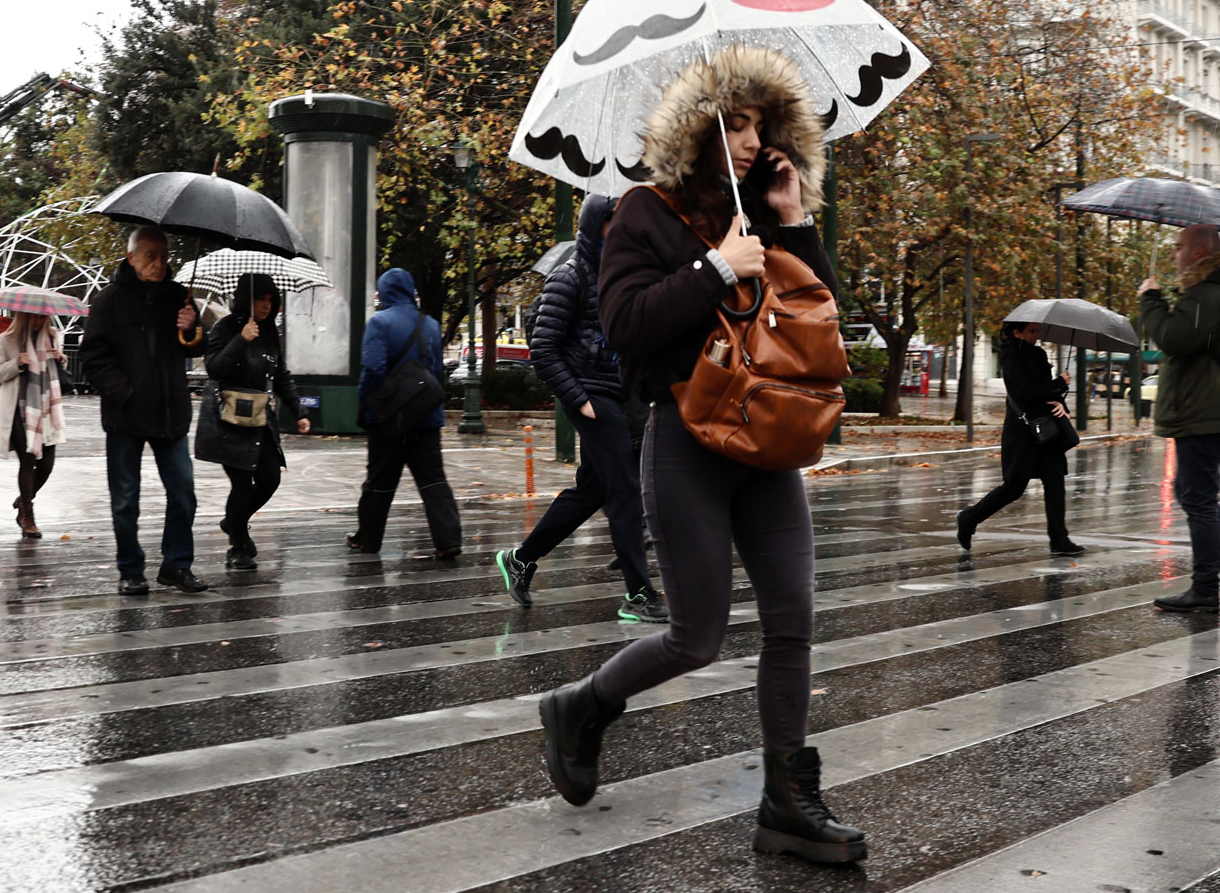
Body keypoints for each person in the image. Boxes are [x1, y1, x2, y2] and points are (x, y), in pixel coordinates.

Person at [537, 46, 865, 864]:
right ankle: (582, 704)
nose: (752, 141)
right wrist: (718, 266)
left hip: (767, 440)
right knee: (696, 635)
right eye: (738, 124)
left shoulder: (760, 212)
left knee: (793, 619)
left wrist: (791, 223)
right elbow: (625, 327)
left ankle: (787, 804)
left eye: (762, 125)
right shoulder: (640, 213)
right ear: (702, 128)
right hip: (686, 434)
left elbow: (813, 318)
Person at [497, 193, 665, 623]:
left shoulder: (621, 274)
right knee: (625, 490)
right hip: (592, 395)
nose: (623, 231)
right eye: (615, 223)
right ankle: (639, 594)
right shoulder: (568, 277)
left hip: (620, 393)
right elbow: (543, 349)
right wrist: (580, 401)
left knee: (594, 489)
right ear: (597, 225)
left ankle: (521, 559)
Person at [1139, 223, 1220, 611]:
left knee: (1197, 497)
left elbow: (1175, 339)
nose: (1174, 254)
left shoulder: (1208, 294)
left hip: (1206, 410)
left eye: (1179, 247)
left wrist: (1151, 300)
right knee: (1193, 492)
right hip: (1217, 407)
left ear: (1199, 253)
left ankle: (1205, 589)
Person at [82, 226, 209, 596]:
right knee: (126, 499)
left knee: (184, 493)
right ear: (131, 257)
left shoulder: (178, 298)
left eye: (163, 256)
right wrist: (124, 392)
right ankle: (130, 570)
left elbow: (194, 347)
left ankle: (176, 564)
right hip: (126, 417)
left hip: (171, 416)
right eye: (150, 255)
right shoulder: (109, 300)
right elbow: (93, 356)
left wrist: (193, 328)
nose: (159, 263)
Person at [199, 273, 310, 569]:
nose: (265, 305)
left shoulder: (270, 331)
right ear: (246, 299)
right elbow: (214, 368)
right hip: (229, 419)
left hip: (259, 417)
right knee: (241, 484)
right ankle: (237, 546)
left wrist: (298, 410)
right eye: (260, 299)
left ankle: (234, 521)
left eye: (270, 300)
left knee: (269, 478)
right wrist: (240, 340)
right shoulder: (226, 327)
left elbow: (281, 374)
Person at [351, 267, 462, 558]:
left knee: (379, 481)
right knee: (433, 479)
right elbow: (436, 372)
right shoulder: (431, 324)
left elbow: (373, 369)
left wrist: (367, 405)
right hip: (426, 417)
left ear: (384, 292)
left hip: (389, 419)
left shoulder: (379, 322)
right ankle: (448, 539)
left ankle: (368, 539)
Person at [953, 322, 1086, 557]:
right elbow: (1023, 392)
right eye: (1032, 331)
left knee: (1055, 484)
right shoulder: (1010, 356)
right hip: (1024, 431)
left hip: (1047, 431)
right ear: (1017, 332)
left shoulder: (1039, 353)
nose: (1037, 335)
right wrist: (1059, 384)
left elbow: (1046, 392)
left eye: (1037, 331)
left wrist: (1060, 403)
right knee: (1014, 488)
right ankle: (969, 517)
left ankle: (1059, 540)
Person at [0, 311, 66, 538]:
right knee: (28, 461)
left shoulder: (52, 337)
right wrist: (16, 363)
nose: (39, 322)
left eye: (43, 318)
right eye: (34, 317)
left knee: (47, 464)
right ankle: (27, 517)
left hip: (46, 408)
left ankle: (23, 500)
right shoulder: (6, 340)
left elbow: (57, 366)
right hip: (18, 410)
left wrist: (61, 357)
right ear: (23, 317)